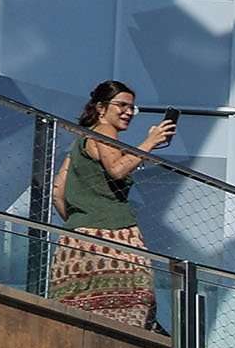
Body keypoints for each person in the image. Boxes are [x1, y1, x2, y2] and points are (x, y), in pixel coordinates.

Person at [47, 80, 176, 328]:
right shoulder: (105, 131)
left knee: (79, 315)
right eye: (122, 105)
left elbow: (57, 193)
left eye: (132, 108)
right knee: (131, 309)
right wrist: (150, 142)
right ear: (101, 107)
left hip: (76, 243)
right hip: (116, 238)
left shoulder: (80, 142)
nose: (128, 112)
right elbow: (117, 170)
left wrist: (83, 223)